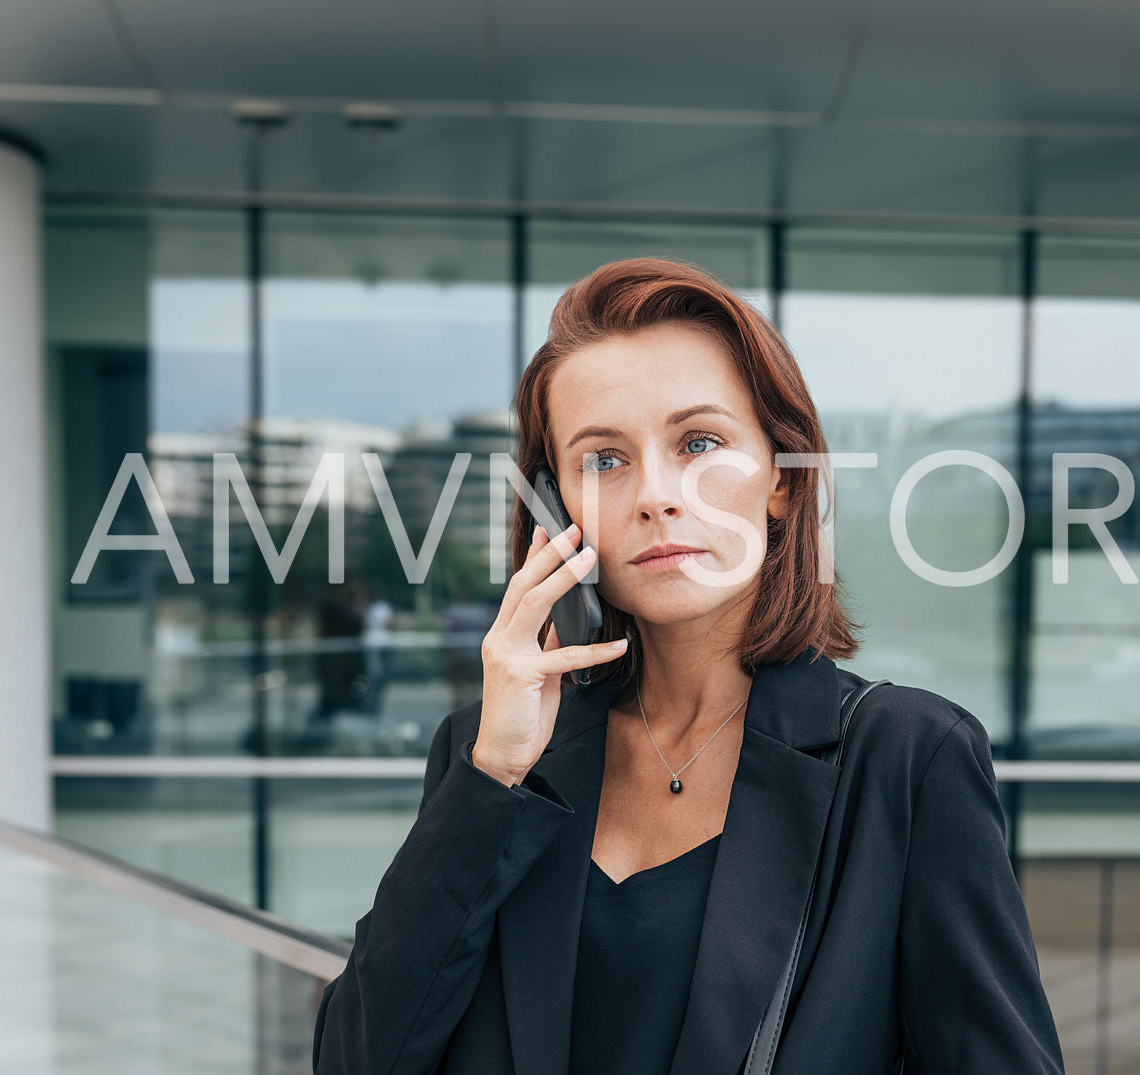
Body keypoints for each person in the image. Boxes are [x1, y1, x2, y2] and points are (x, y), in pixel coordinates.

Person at [312, 257, 1066, 1074]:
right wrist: (492, 776)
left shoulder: (907, 757)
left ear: (782, 477)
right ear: (556, 507)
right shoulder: (493, 755)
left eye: (699, 442)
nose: (655, 494)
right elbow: (359, 1060)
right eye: (603, 458)